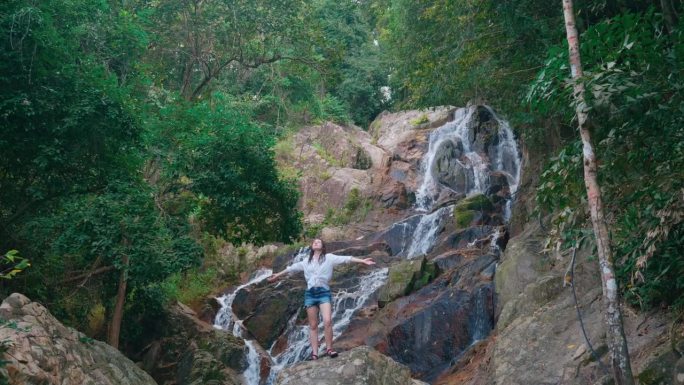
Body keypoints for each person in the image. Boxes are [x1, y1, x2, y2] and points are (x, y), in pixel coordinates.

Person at [267, 238, 375, 360]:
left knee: (327, 321)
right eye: (314, 242)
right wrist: (277, 275)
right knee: (313, 325)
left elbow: (346, 259)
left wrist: (362, 261)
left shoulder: (329, 258)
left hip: (324, 293)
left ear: (323, 246)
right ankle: (315, 353)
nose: (316, 242)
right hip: (310, 294)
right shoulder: (305, 262)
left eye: (318, 242)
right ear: (312, 247)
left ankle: (329, 349)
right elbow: (291, 268)